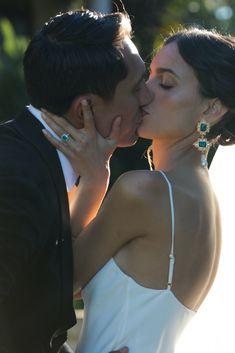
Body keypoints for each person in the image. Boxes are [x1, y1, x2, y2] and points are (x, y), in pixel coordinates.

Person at [42, 26, 235, 353]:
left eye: (166, 83)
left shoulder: (145, 192)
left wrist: (93, 181)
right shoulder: (208, 204)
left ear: (211, 109)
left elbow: (57, 283)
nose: (144, 93)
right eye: (147, 78)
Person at [0, 8, 152, 353]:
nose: (148, 97)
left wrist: (97, 180)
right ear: (86, 108)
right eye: (136, 86)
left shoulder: (34, 158)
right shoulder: (16, 180)